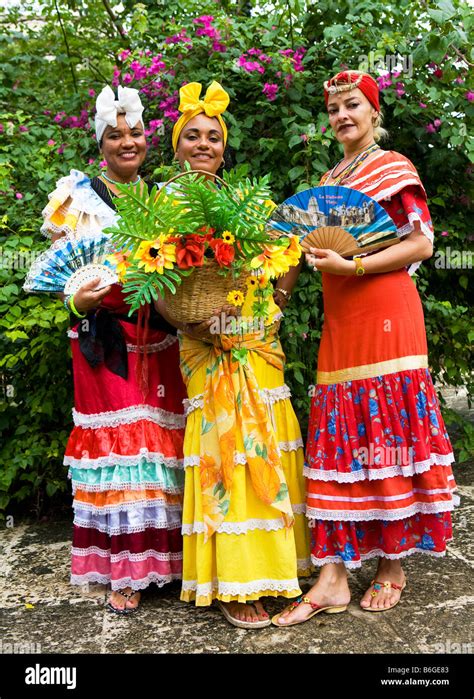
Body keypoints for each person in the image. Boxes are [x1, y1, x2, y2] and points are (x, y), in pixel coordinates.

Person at [272, 70, 457, 626]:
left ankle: (391, 565)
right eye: (333, 110)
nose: (342, 116)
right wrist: (272, 299)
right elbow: (300, 250)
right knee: (342, 430)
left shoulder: (394, 167)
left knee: (387, 429)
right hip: (342, 316)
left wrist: (351, 263)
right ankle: (333, 577)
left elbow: (421, 242)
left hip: (386, 312)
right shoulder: (331, 178)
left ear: (374, 113)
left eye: (353, 105)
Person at [156, 81, 311, 628]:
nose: (203, 144)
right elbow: (152, 281)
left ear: (225, 147)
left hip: (254, 341)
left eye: (213, 137)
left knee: (265, 441)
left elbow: (290, 247)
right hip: (203, 345)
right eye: (192, 136)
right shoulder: (158, 208)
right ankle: (235, 584)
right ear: (176, 147)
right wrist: (183, 318)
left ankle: (278, 571)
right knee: (226, 455)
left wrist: (281, 300)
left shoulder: (245, 201)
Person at [37, 85, 186, 614]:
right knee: (122, 451)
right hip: (104, 341)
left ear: (149, 139)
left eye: (136, 133)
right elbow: (63, 283)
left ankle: (166, 564)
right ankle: (127, 570)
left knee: (161, 449)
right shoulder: (76, 200)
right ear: (100, 143)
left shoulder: (166, 200)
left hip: (161, 335)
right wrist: (77, 298)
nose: (128, 143)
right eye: (115, 135)